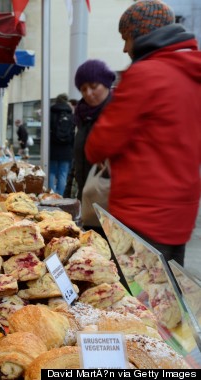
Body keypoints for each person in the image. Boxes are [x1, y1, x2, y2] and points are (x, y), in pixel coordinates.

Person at [85, 0, 201, 265]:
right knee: (167, 296)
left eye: (126, 38)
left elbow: (98, 145)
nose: (125, 48)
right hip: (180, 212)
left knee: (137, 301)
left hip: (141, 214)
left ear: (141, 35)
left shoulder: (145, 75)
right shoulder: (192, 73)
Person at [71, 59, 116, 204]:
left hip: (110, 198)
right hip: (86, 196)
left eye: (93, 86)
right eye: (83, 89)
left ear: (106, 84)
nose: (88, 93)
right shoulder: (82, 117)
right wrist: (68, 192)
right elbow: (77, 159)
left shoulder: (118, 113)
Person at [49, 93, 75, 196]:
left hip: (53, 148)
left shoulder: (51, 113)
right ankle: (60, 196)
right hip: (66, 150)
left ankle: (50, 195)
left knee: (51, 172)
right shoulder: (70, 114)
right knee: (63, 174)